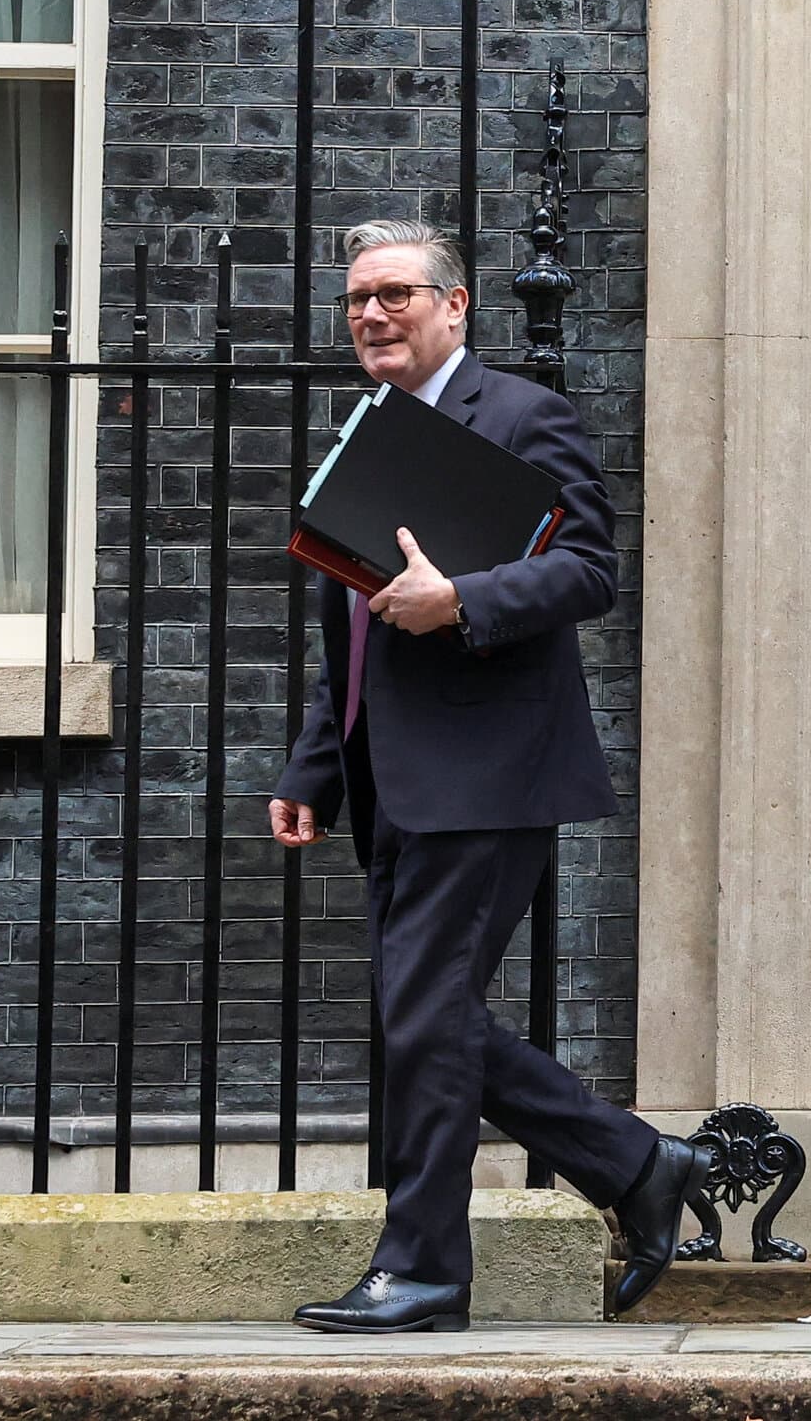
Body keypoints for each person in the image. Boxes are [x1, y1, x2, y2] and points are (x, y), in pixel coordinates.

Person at [270, 218, 712, 1334]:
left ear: (455, 307)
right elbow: (355, 631)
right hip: (393, 779)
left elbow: (590, 569)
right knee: (426, 1017)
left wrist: (462, 600)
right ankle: (639, 1164)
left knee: (422, 1017)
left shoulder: (522, 416)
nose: (372, 314)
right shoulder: (367, 425)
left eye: (397, 296)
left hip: (489, 774)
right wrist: (316, 768)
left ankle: (424, 1267)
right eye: (358, 299)